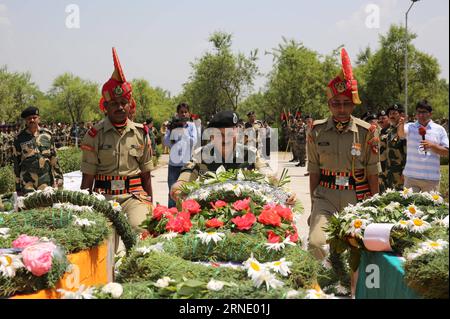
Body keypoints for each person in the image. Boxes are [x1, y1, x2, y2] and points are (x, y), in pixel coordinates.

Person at [307, 48, 380, 261]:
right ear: (329, 104)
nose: (341, 108)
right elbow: (314, 171)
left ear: (353, 104)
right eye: (336, 103)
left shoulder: (368, 132)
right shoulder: (316, 131)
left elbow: (373, 173)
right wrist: (313, 207)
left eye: (346, 103)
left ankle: (351, 284)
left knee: (358, 249)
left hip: (356, 197)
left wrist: (374, 208)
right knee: (316, 243)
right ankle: (317, 285)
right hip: (325, 196)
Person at [80, 47, 153, 233]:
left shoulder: (141, 133)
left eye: (123, 103)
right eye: (114, 103)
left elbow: (145, 174)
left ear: (130, 105)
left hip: (133, 197)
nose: (119, 107)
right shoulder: (94, 134)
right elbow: (88, 178)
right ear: (106, 107)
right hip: (103, 197)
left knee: (141, 229)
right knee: (100, 235)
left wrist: (150, 205)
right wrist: (82, 210)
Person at [170, 110, 297, 206]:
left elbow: (269, 176)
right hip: (209, 213)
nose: (226, 139)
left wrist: (286, 191)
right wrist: (177, 188)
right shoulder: (201, 155)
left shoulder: (250, 154)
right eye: (220, 134)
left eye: (231, 134)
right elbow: (184, 179)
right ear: (212, 136)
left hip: (246, 214)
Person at [398, 100, 449, 192]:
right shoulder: (409, 126)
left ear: (430, 113)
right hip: (411, 177)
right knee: (409, 205)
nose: (421, 115)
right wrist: (401, 124)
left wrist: (432, 146)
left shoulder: (439, 129)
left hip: (431, 179)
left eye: (424, 112)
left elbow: (446, 151)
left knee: (430, 206)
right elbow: (401, 134)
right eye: (418, 112)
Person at [13, 106, 64, 195]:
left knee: (47, 207)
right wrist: (18, 186)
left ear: (38, 119)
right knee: (30, 207)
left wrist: (59, 177)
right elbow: (16, 163)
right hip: (28, 183)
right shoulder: (19, 138)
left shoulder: (47, 135)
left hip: (46, 180)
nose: (32, 120)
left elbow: (54, 157)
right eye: (29, 118)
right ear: (26, 120)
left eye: (34, 117)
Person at [163, 103, 198, 208]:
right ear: (177, 114)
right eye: (181, 112)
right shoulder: (172, 125)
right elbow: (166, 142)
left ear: (189, 113)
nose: (183, 114)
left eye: (185, 112)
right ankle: (171, 217)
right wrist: (172, 130)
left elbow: (193, 142)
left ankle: (186, 216)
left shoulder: (191, 126)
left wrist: (183, 131)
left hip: (187, 166)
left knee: (187, 193)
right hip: (173, 165)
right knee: (172, 193)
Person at [383, 103, 407, 191]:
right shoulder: (389, 131)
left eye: (394, 113)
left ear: (401, 115)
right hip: (389, 171)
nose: (391, 116)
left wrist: (405, 170)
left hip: (400, 171)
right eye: (390, 114)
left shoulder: (404, 130)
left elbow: (407, 152)